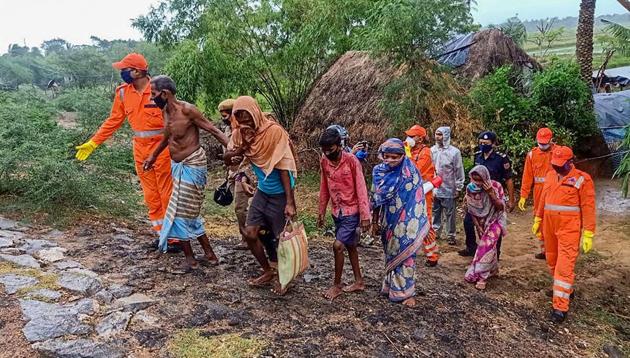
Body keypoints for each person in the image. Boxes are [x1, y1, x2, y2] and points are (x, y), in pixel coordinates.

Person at [74, 53, 175, 247]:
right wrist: (94, 142)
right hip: (140, 150)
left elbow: (177, 117)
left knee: (167, 194)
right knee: (151, 196)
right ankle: (162, 236)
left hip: (163, 149)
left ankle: (175, 237)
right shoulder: (122, 92)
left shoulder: (159, 89)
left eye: (125, 69)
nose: (122, 73)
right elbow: (114, 120)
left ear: (137, 71)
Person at [143, 76, 228, 271]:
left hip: (194, 164)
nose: (151, 98)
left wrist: (232, 149)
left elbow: (213, 129)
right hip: (177, 166)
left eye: (153, 94)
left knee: (179, 212)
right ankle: (209, 254)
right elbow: (168, 136)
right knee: (188, 212)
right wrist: (153, 156)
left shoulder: (187, 110)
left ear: (165, 94)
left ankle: (190, 259)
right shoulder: (165, 111)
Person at [223, 96, 297, 295]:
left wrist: (290, 202)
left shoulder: (274, 132)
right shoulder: (240, 134)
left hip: (281, 192)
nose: (243, 120)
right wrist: (241, 148)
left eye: (246, 116)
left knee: (283, 239)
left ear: (255, 113)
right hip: (263, 191)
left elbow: (284, 168)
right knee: (250, 233)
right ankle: (267, 271)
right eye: (239, 116)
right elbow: (228, 159)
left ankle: (285, 277)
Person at [532, 146, 595, 323]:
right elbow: (543, 198)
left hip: (569, 228)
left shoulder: (582, 180)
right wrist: (538, 218)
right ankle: (565, 290)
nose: (556, 167)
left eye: (560, 164)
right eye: (554, 164)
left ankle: (560, 307)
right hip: (549, 226)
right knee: (552, 260)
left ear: (570, 162)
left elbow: (588, 207)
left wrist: (589, 232)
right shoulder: (551, 175)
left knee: (564, 266)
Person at [371, 138, 429, 307]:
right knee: (391, 252)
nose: (389, 160)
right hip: (389, 220)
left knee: (407, 254)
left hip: (408, 220)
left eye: (394, 157)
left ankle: (407, 292)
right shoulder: (378, 172)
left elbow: (417, 197)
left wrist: (413, 222)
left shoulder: (410, 172)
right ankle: (391, 286)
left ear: (402, 156)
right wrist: (375, 222)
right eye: (386, 156)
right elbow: (376, 199)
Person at [317, 128, 370, 300]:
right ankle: (359, 281)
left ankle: (337, 285)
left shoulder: (352, 161)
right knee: (350, 246)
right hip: (337, 211)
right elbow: (324, 186)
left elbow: (361, 188)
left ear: (339, 146)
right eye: (324, 150)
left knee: (338, 246)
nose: (327, 153)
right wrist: (321, 211)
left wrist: (365, 215)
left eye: (330, 150)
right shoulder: (324, 161)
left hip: (352, 211)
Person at [460, 131, 515, 258]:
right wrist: (467, 195)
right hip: (477, 197)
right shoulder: (477, 156)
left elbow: (508, 179)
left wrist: (511, 200)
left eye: (486, 143)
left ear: (493, 144)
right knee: (468, 221)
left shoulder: (501, 158)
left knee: (494, 225)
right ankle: (471, 248)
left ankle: (495, 252)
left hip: (493, 196)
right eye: (481, 143)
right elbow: (473, 177)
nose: (483, 145)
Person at [464, 165, 506, 290]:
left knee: (486, 246)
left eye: (480, 180)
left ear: (486, 178)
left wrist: (491, 193)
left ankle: (482, 276)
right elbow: (472, 209)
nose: (477, 183)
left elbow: (500, 207)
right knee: (489, 247)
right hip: (481, 221)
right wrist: (477, 226)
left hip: (495, 219)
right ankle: (492, 269)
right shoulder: (470, 189)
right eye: (474, 179)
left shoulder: (496, 186)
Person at [404, 125, 439, 267]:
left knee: (426, 223)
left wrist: (406, 152)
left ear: (420, 138)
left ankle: (432, 256)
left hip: (424, 193)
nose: (408, 139)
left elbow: (415, 170)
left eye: (412, 136)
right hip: (410, 192)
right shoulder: (410, 150)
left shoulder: (425, 153)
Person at [518, 127, 556, 260]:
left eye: (545, 143)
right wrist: (523, 195)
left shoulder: (558, 152)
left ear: (551, 140)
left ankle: (555, 250)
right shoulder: (532, 155)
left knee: (554, 220)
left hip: (555, 191)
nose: (543, 146)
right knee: (539, 219)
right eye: (541, 143)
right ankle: (545, 250)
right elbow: (527, 176)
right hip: (539, 192)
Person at [431, 127, 465, 246]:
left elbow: (458, 170)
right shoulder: (432, 151)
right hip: (435, 187)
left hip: (449, 187)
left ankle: (451, 235)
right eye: (436, 134)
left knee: (450, 213)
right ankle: (435, 232)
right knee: (435, 212)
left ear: (446, 135)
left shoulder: (454, 152)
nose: (437, 137)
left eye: (440, 134)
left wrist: (459, 186)